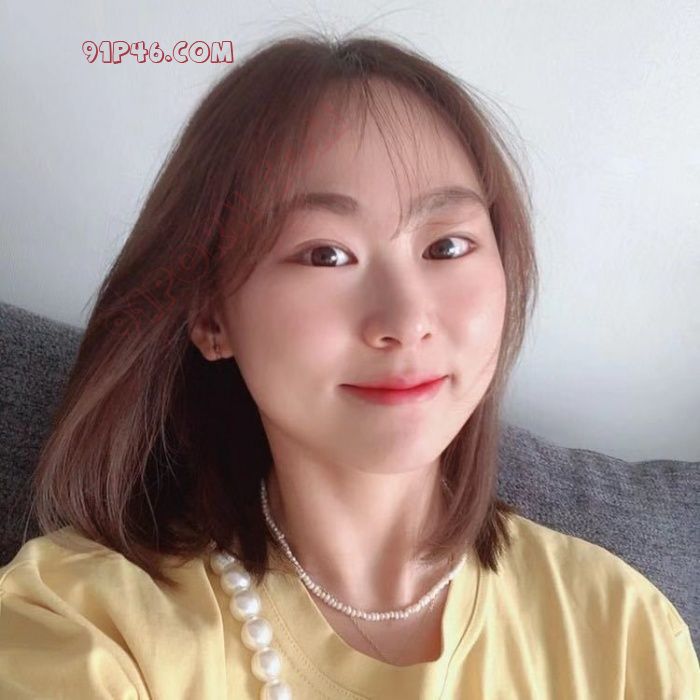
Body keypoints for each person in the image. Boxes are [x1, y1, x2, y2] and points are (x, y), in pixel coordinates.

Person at [1, 32, 698, 700]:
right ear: (212, 316)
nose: (406, 320)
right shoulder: (86, 629)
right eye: (325, 254)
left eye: (447, 246)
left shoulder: (622, 631)